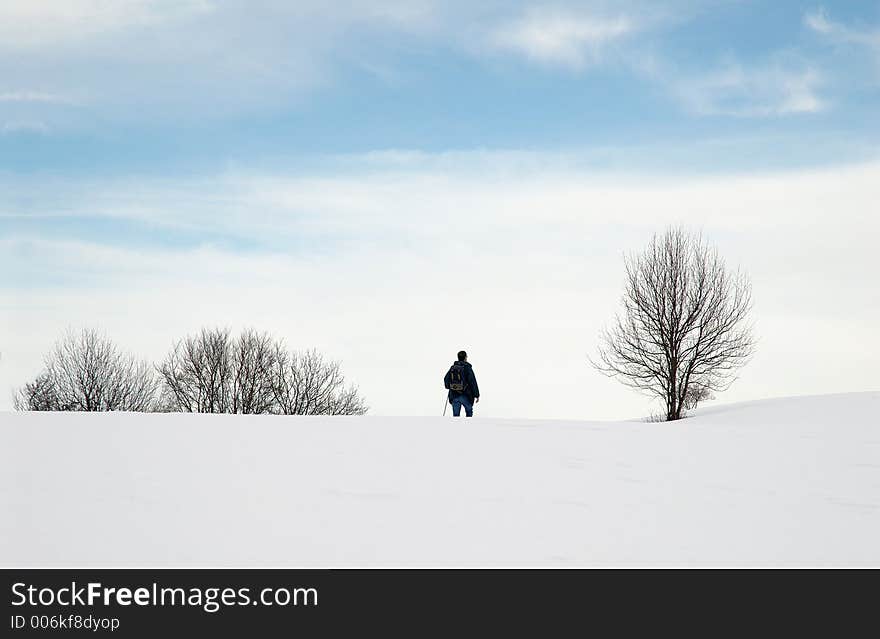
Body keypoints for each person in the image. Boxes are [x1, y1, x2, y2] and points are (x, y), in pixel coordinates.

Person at [444, 350, 480, 417]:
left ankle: (456, 427)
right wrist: (477, 395)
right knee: (469, 413)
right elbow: (473, 382)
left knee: (456, 416)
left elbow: (446, 379)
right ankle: (468, 427)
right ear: (465, 357)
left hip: (454, 395)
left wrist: (451, 386)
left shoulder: (453, 368)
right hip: (465, 395)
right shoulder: (467, 368)